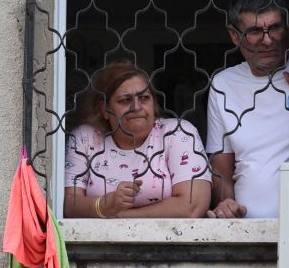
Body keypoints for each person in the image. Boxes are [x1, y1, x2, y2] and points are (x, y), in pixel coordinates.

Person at [64, 61, 212, 218]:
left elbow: (193, 206)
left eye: (144, 98)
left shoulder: (177, 132)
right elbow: (69, 204)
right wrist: (107, 203)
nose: (136, 107)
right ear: (105, 109)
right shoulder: (86, 138)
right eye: (125, 100)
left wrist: (120, 216)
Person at [205, 0, 289, 219]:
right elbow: (222, 168)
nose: (267, 40)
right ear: (234, 36)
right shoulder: (223, 85)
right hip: (247, 228)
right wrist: (226, 203)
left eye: (274, 28)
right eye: (255, 31)